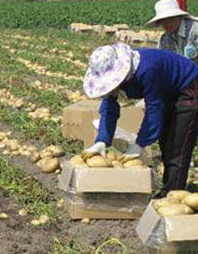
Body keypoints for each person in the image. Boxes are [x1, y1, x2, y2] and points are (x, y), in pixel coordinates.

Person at [83, 43, 198, 198]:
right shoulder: (123, 76)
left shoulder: (147, 69)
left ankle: (173, 195)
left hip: (189, 85)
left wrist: (140, 144)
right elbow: (109, 107)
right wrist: (102, 140)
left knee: (178, 143)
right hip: (166, 90)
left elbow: (153, 109)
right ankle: (169, 188)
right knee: (165, 141)